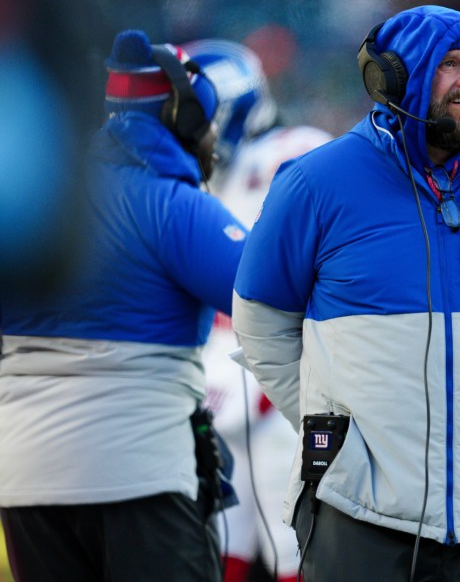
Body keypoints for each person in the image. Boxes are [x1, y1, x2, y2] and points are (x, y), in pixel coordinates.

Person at [231, 5, 460, 582]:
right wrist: (333, 426)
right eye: (450, 63)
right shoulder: (316, 183)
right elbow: (261, 323)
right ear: (393, 78)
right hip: (358, 519)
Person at [0, 29, 246, 582]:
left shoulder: (36, 203)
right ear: (182, 117)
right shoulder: (174, 206)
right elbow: (278, 294)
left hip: (23, 481)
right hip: (141, 477)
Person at [183, 37, 333, 582]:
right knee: (227, 545)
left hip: (288, 381)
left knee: (295, 541)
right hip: (224, 380)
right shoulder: (207, 177)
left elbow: (321, 268)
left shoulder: (291, 153)